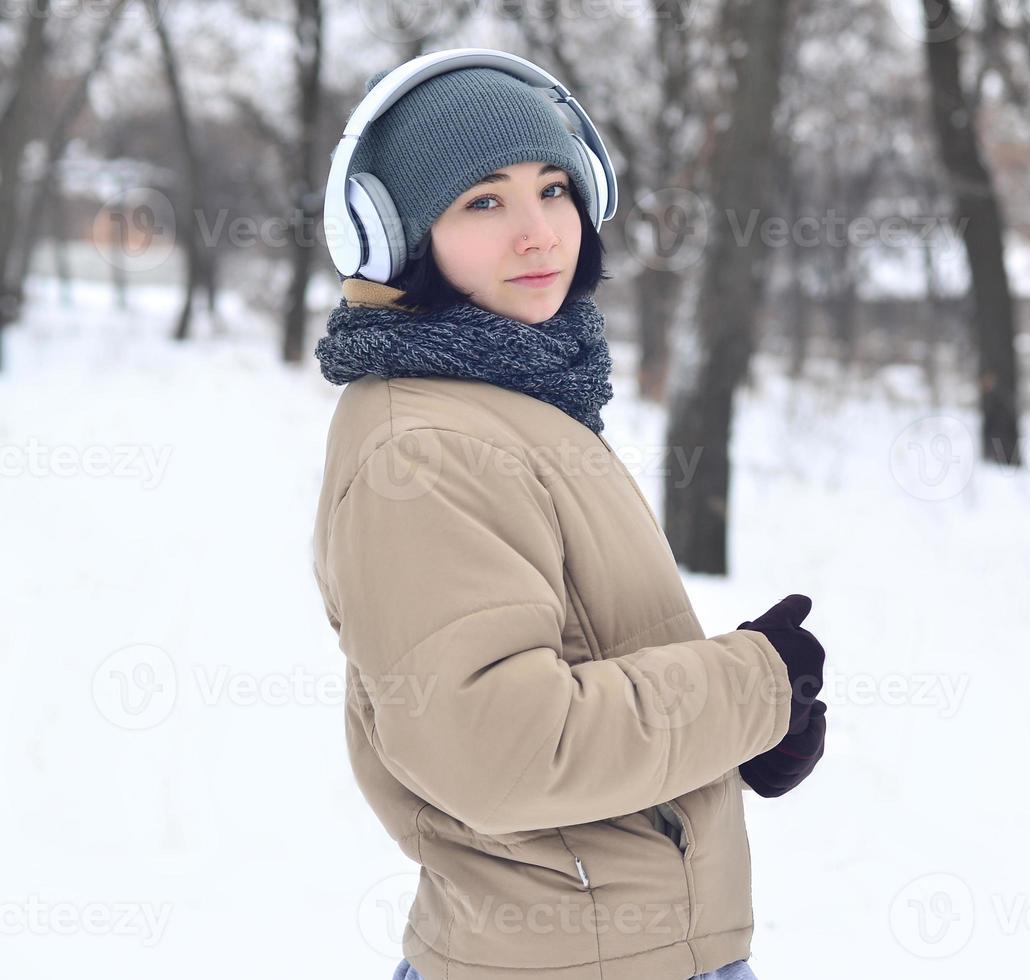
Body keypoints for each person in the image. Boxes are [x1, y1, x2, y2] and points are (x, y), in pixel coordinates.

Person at [308, 50, 829, 980]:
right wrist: (747, 687)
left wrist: (733, 747)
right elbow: (503, 751)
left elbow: (585, 661)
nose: (540, 232)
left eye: (553, 189)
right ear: (396, 237)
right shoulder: (426, 452)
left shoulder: (514, 401)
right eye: (483, 202)